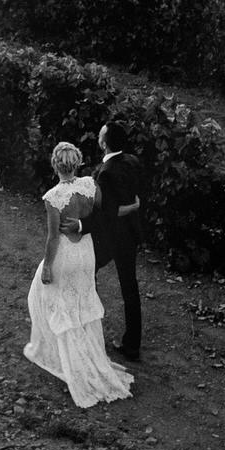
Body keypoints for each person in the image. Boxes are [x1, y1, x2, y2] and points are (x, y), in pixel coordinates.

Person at [23, 141, 134, 407]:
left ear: (55, 165)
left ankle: (67, 360)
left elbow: (53, 238)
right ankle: (90, 357)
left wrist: (48, 266)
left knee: (49, 300)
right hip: (86, 253)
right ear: (77, 163)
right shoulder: (89, 185)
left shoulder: (52, 198)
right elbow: (100, 212)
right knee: (82, 304)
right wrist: (84, 224)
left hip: (65, 254)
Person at [60, 121, 144, 362]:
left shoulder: (106, 172)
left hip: (111, 237)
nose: (98, 135)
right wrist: (136, 207)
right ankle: (132, 345)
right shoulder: (133, 162)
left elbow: (109, 212)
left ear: (104, 142)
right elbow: (138, 194)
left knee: (87, 273)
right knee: (130, 286)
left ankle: (89, 332)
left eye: (100, 133)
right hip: (130, 235)